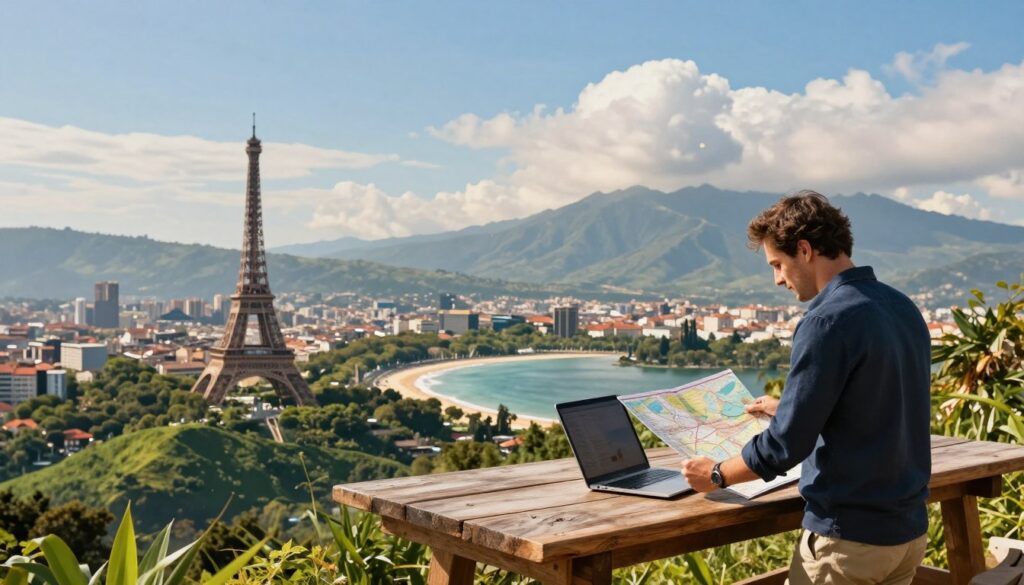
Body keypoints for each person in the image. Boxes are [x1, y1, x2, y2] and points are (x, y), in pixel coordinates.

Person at [681, 191, 932, 585]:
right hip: (907, 533)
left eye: (778, 264)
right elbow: (883, 403)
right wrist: (793, 406)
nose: (777, 278)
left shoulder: (826, 322)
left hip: (848, 540)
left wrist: (715, 474)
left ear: (804, 249)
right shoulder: (901, 307)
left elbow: (785, 447)